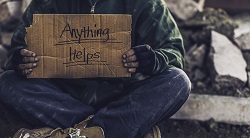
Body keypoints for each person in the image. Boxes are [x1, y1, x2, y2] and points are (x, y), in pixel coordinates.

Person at [0, 0, 191, 137]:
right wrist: (21, 60)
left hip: (124, 96)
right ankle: (116, 130)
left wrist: (153, 59)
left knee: (178, 80)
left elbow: (173, 51)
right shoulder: (47, 2)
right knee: (8, 82)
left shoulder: (147, 4)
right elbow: (17, 51)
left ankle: (71, 133)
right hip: (64, 98)